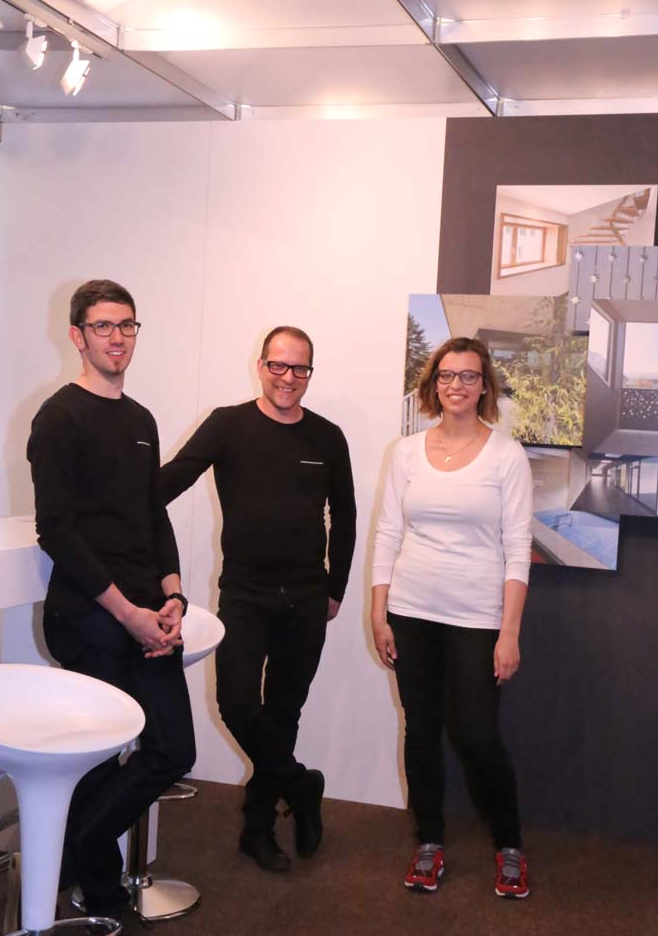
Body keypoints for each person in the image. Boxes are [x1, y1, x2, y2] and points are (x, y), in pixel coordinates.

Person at [27, 279, 196, 936]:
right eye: (103, 326)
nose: (117, 338)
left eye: (127, 325)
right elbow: (57, 532)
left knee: (171, 751)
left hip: (146, 612)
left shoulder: (141, 419)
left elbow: (151, 514)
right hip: (90, 616)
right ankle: (102, 898)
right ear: (78, 336)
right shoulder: (59, 419)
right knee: (106, 758)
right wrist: (128, 614)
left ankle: (69, 853)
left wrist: (174, 594)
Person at [160, 327, 356, 872]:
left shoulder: (327, 437)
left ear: (310, 373)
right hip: (245, 593)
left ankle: (257, 826)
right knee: (238, 703)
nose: (288, 378)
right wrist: (109, 503)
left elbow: (345, 516)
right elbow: (170, 481)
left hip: (307, 598)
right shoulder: (228, 424)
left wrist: (336, 587)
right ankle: (301, 784)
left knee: (284, 712)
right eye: (278, 366)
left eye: (300, 369)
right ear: (261, 365)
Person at [371, 337, 533, 899]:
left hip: (476, 617)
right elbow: (388, 532)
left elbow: (517, 549)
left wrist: (509, 632)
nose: (456, 385)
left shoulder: (506, 456)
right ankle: (429, 841)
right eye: (446, 375)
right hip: (411, 610)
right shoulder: (406, 452)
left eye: (468, 376)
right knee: (420, 730)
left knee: (476, 735)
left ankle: (509, 845)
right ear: (433, 384)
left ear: (484, 385)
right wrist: (379, 611)